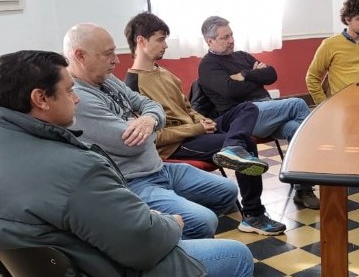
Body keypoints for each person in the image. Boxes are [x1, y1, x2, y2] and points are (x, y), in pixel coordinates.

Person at [0, 50, 254, 277]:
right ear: (40, 99)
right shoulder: (75, 168)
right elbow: (144, 245)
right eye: (69, 90)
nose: (76, 98)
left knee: (182, 244)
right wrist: (169, 223)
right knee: (235, 258)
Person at [64, 23, 238, 239]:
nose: (116, 60)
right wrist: (150, 124)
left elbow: (151, 105)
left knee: (227, 191)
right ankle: (172, 249)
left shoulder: (107, 79)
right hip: (134, 180)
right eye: (108, 54)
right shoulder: (80, 98)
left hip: (159, 167)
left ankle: (175, 228)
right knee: (204, 220)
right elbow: (131, 143)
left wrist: (148, 119)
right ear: (80, 55)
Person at [124, 12, 286, 236]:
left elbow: (188, 109)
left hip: (197, 131)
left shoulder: (166, 74)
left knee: (248, 108)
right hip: (177, 144)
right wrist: (197, 128)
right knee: (247, 143)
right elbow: (155, 137)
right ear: (141, 41)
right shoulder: (132, 85)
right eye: (160, 40)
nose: (165, 46)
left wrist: (203, 120)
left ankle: (233, 146)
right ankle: (253, 216)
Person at [198, 15, 319, 209]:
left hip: (267, 112)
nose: (231, 40)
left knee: (296, 128)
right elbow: (230, 90)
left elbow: (271, 74)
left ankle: (303, 188)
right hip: (244, 118)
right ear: (209, 41)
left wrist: (245, 75)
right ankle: (322, 164)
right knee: (297, 104)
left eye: (231, 35)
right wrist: (256, 77)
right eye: (224, 37)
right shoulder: (208, 65)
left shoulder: (242, 56)